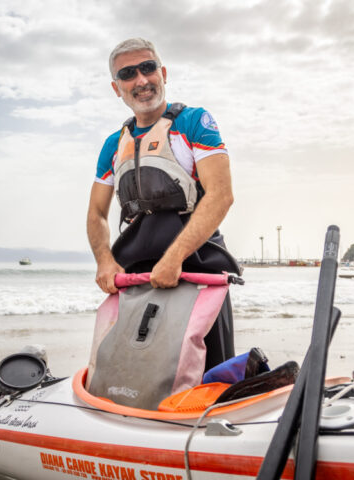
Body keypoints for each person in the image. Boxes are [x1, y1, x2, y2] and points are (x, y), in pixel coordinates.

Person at [86, 38, 240, 369]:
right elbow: (97, 213)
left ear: (163, 73)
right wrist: (104, 262)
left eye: (148, 68)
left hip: (198, 270)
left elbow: (220, 195)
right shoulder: (114, 144)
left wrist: (174, 259)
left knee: (206, 373)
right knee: (139, 374)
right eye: (128, 74)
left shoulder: (193, 122)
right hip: (138, 277)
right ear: (117, 88)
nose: (141, 80)